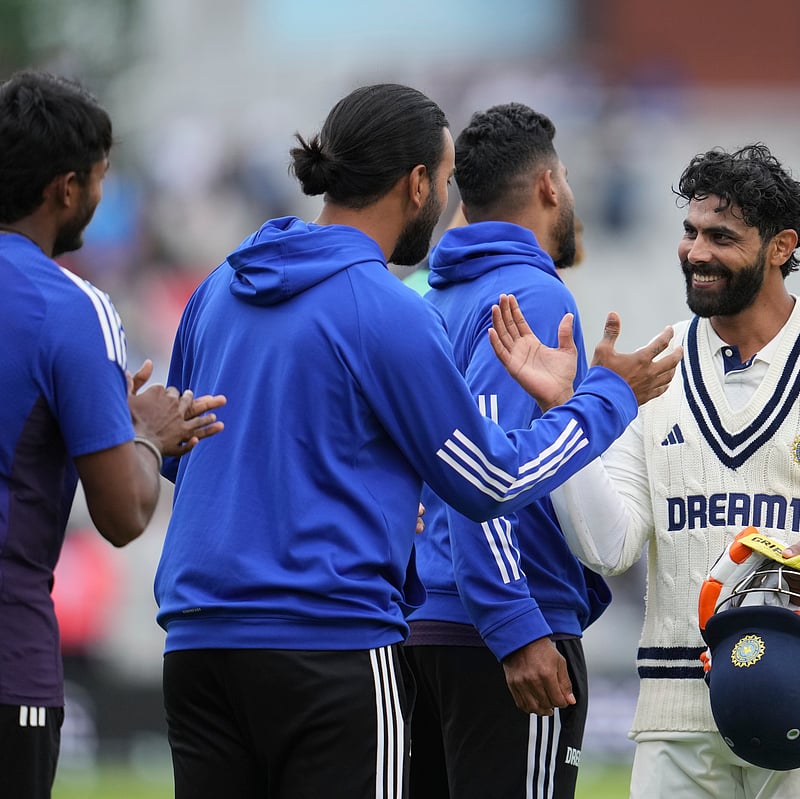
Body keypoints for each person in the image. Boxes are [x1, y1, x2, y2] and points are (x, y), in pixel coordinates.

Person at [153, 83, 680, 799]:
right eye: (446, 178)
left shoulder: (218, 286)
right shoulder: (385, 306)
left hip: (196, 645)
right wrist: (603, 398)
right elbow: (489, 482)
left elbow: (182, 450)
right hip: (329, 642)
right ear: (419, 182)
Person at [541, 143, 800, 797]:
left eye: (722, 237)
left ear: (781, 246)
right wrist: (566, 414)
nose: (696, 252)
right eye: (691, 231)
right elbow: (608, 547)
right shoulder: (653, 370)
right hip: (677, 709)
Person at [0, 69, 225, 799]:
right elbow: (123, 513)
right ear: (65, 189)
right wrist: (143, 435)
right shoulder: (74, 307)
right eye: (100, 179)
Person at [405, 101, 608, 798]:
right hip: (501, 628)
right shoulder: (530, 297)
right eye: (567, 178)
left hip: (421, 623)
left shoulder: (430, 298)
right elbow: (484, 471)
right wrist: (516, 625)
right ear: (549, 184)